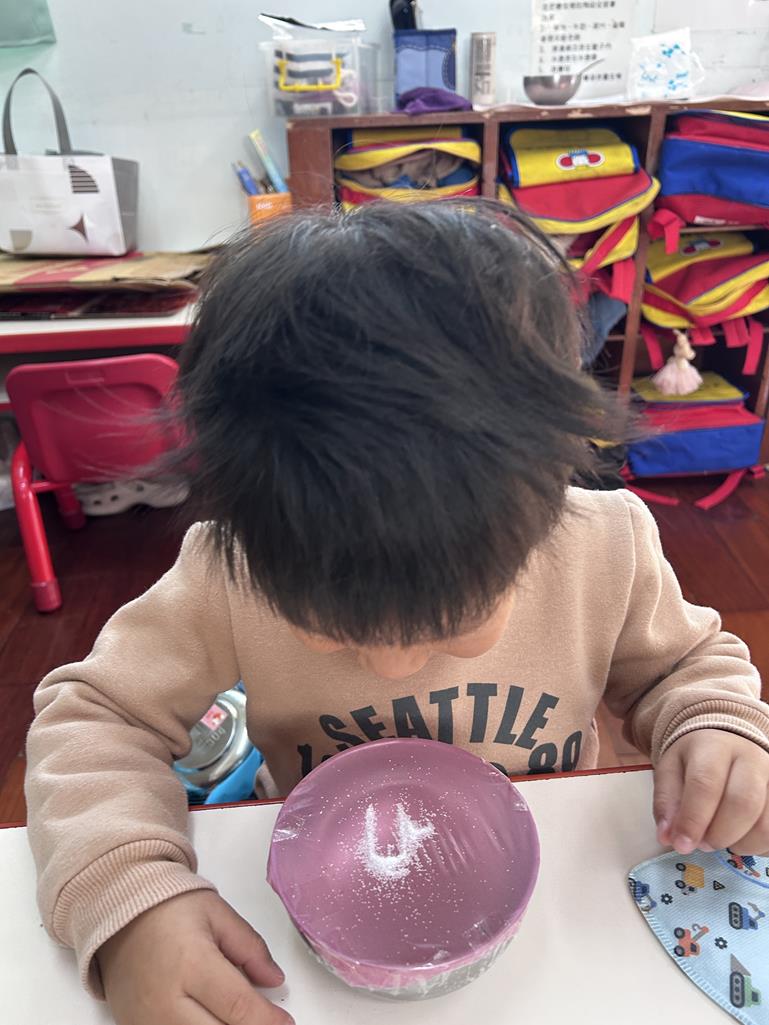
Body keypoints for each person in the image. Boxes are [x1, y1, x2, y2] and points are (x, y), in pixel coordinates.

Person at [26, 201, 769, 1025]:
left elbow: (683, 666)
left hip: (556, 895)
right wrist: (130, 894)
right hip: (312, 913)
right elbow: (95, 719)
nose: (390, 664)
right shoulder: (227, 568)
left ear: (542, 506)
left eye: (451, 620)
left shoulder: (603, 544)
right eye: (330, 628)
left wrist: (715, 723)